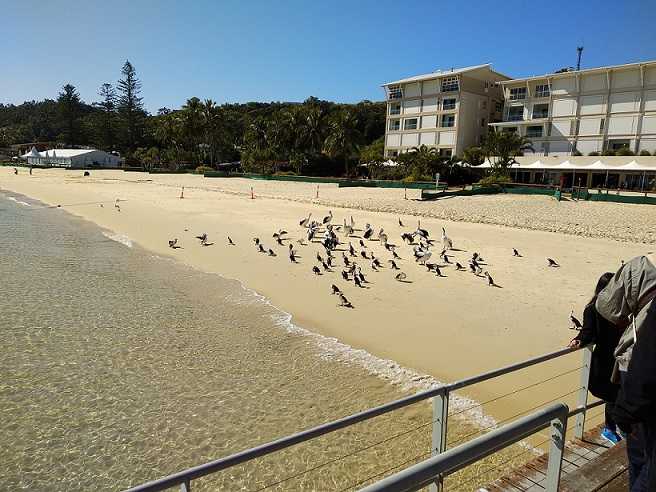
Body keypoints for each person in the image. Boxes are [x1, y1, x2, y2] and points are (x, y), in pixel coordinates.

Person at [596, 254, 656, 492]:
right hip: (641, 391)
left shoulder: (641, 268)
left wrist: (623, 412)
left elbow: (607, 306)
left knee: (642, 460)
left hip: (638, 389)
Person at [568, 272, 622, 444]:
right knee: (613, 394)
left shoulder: (613, 307)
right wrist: (579, 340)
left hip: (614, 357)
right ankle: (610, 428)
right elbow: (588, 332)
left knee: (616, 394)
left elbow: (588, 333)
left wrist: (580, 338)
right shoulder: (597, 308)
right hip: (608, 359)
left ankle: (612, 427)